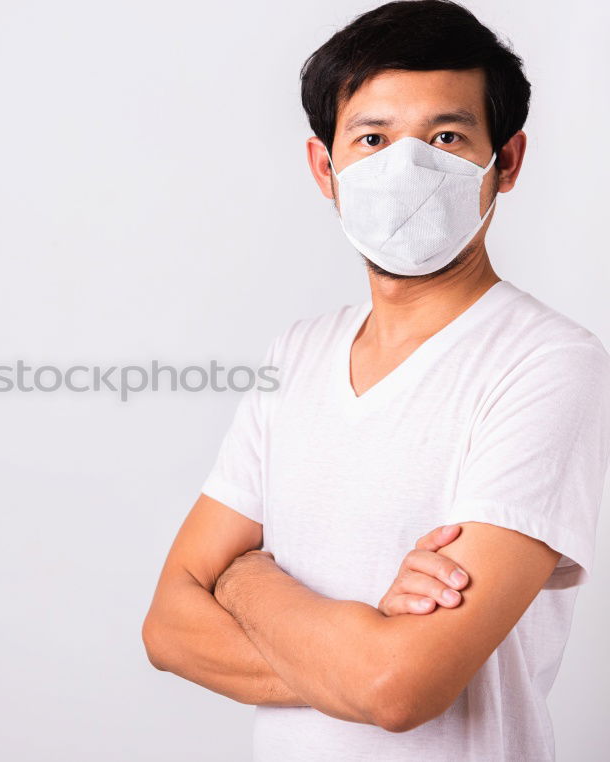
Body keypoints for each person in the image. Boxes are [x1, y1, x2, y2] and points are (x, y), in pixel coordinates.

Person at [140, 1, 610, 759]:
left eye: (447, 137)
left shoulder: (547, 363)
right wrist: (359, 657)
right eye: (373, 138)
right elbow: (167, 628)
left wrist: (243, 580)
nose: (408, 166)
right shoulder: (295, 355)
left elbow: (400, 689)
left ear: (509, 162)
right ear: (325, 168)